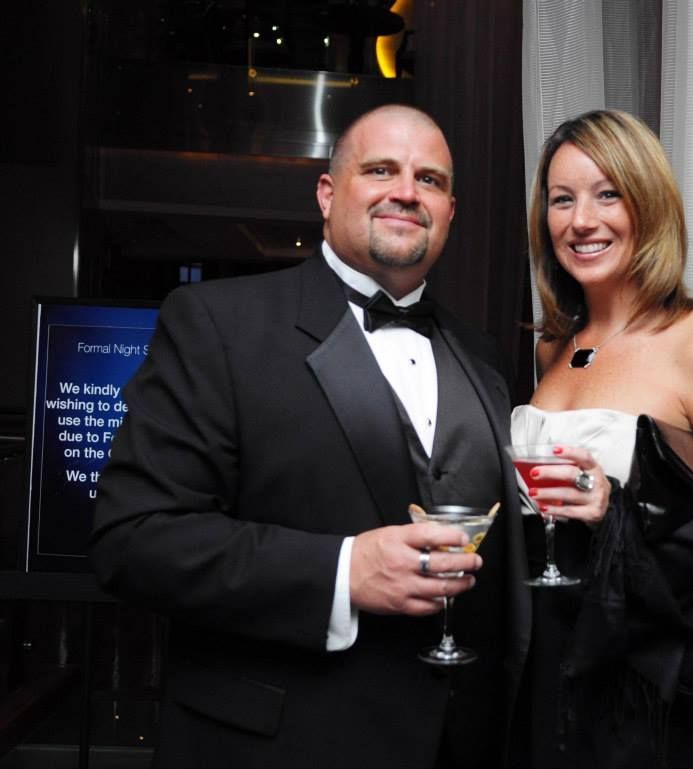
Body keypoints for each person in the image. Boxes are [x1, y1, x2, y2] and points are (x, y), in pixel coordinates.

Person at [90, 104, 531, 769]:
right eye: (380, 169)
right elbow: (133, 538)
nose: (407, 191)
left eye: (430, 180)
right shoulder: (218, 323)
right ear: (327, 194)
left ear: (450, 211)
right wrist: (342, 571)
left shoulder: (482, 356)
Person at [508, 109, 693, 768]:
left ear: (647, 204)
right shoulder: (555, 345)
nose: (581, 219)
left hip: (660, 677)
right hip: (562, 658)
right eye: (562, 198)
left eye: (607, 193)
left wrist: (621, 517)